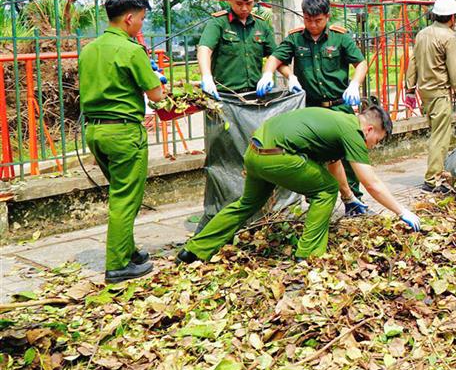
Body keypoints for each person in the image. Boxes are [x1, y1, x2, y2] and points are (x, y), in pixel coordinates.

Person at [177, 104, 420, 263]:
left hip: (255, 152)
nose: (374, 145)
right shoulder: (352, 131)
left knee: (246, 204)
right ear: (369, 129)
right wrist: (402, 211)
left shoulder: (337, 121)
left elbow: (333, 165)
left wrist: (350, 198)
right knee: (326, 190)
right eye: (377, 140)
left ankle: (194, 250)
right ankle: (309, 255)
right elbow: (372, 183)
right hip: (277, 156)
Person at [79, 0, 167, 283]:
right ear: (129, 18)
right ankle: (117, 265)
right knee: (125, 198)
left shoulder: (89, 49)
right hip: (124, 133)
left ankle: (128, 250)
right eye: (141, 19)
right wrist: (158, 81)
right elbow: (156, 95)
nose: (141, 24)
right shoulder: (131, 50)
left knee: (119, 191)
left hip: (95, 131)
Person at [257, 0, 369, 208]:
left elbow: (361, 64)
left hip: (339, 106)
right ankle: (316, 200)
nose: (313, 25)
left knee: (347, 155)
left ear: (327, 16)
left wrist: (354, 84)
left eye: (318, 20)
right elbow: (275, 58)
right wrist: (271, 74)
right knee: (313, 156)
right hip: (311, 109)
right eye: (308, 20)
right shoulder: (296, 39)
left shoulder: (341, 38)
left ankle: (354, 201)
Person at [405, 0, 456, 190]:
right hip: (440, 92)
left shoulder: (422, 34)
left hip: (425, 92)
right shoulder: (448, 37)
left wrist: (410, 89)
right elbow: (454, 70)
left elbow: (413, 62)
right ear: (452, 18)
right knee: (440, 137)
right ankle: (432, 180)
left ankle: (436, 175)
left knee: (435, 133)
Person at [197, 0, 283, 99]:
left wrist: (290, 77)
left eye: (249, 3)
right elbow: (204, 49)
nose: (244, 8)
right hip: (224, 95)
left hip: (255, 94)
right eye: (239, 3)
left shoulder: (261, 25)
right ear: (229, 0)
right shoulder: (218, 23)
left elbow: (276, 56)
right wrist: (206, 77)